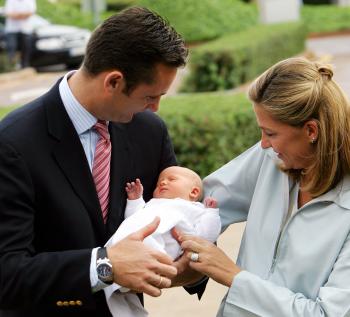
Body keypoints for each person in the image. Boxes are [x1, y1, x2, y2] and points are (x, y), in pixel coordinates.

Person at [0, 6, 202, 317]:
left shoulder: (150, 132)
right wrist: (104, 266)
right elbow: (8, 274)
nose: (155, 108)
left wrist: (193, 265)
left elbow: (175, 218)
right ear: (113, 82)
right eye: (150, 97)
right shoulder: (13, 143)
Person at [177, 57, 350, 316]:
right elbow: (202, 203)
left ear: (311, 130)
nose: (264, 144)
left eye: (271, 133)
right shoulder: (270, 157)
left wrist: (233, 277)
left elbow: (326, 313)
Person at [104, 166, 221, 317]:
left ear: (193, 192)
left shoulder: (194, 209)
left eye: (171, 179)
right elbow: (136, 218)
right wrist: (136, 200)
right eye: (160, 181)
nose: (163, 182)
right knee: (117, 299)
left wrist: (211, 214)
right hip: (124, 244)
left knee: (120, 291)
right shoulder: (153, 204)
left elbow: (205, 237)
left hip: (157, 248)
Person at [4, 0, 36, 68]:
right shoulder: (10, 1)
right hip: (11, 29)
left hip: (26, 29)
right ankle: (11, 65)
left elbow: (30, 13)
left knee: (26, 47)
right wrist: (22, 15)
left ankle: (24, 65)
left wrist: (16, 15)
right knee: (11, 46)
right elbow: (9, 14)